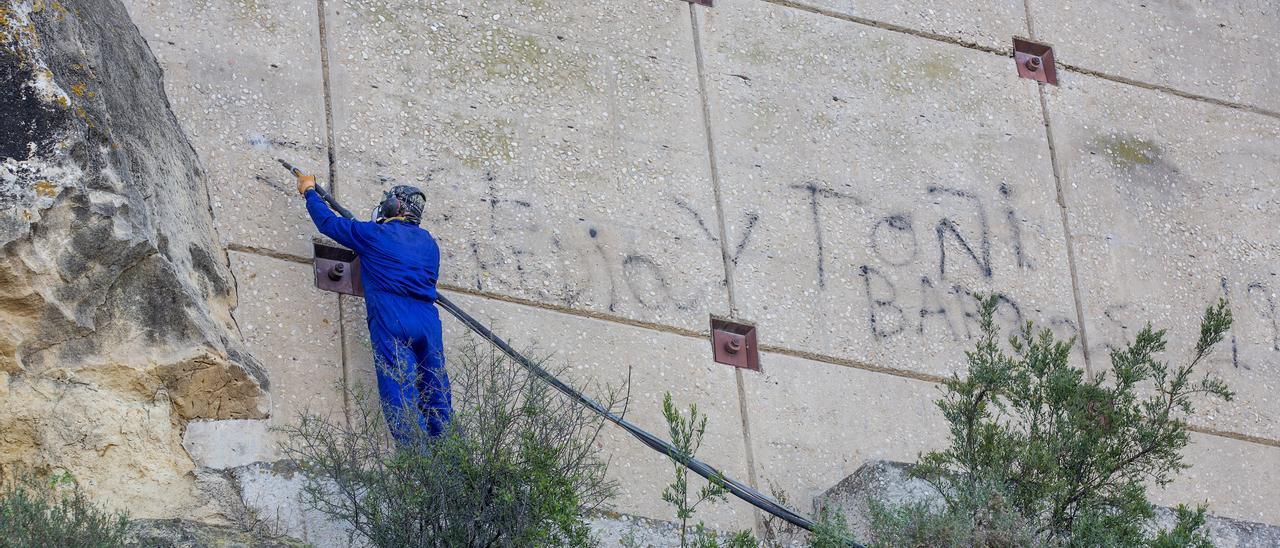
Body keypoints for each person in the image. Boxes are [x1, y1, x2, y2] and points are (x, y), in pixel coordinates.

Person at [295, 172, 451, 444]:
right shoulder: (430, 244)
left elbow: (328, 222)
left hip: (394, 319)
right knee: (437, 394)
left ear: (397, 206)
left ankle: (420, 468)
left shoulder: (374, 235)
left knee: (400, 395)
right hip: (428, 323)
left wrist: (309, 191)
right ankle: (454, 467)